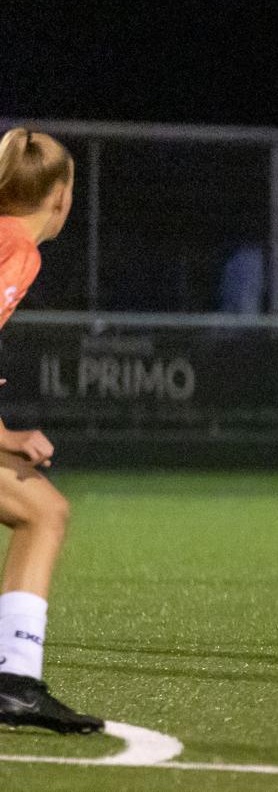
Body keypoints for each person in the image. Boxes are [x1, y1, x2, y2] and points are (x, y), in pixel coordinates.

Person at [0, 127, 102, 732]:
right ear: (61, 197)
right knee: (44, 513)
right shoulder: (17, 249)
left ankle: (15, 682)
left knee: (43, 510)